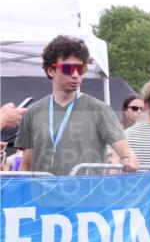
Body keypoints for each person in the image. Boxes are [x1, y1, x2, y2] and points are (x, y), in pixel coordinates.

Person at [14, 35, 139, 175]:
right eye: (68, 68)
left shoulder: (100, 110)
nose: (75, 74)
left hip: (86, 189)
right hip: (43, 189)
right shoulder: (32, 113)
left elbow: (124, 149)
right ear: (51, 70)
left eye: (80, 68)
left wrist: (129, 157)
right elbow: (26, 167)